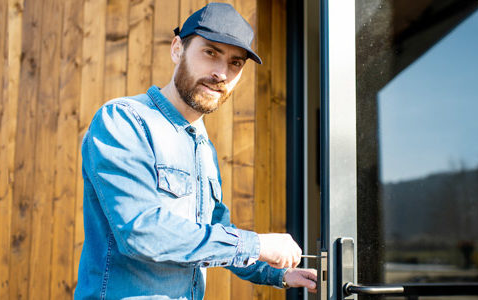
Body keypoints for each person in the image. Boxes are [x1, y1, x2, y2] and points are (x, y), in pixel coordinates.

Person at [74, 3, 317, 299]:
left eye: (235, 63)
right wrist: (256, 244)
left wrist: (277, 273)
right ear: (177, 49)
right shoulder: (124, 120)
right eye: (210, 53)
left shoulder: (203, 146)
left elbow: (215, 229)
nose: (221, 73)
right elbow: (141, 231)